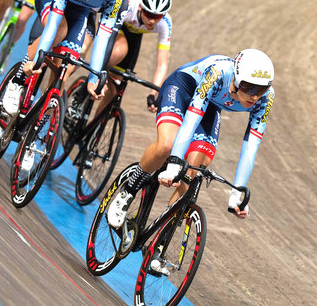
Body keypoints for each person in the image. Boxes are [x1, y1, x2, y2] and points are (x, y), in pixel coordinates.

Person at [108, 48, 275, 221]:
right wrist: (174, 163)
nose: (254, 97)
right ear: (237, 79)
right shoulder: (218, 74)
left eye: (261, 89)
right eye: (249, 88)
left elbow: (251, 146)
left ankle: (164, 228)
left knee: (196, 167)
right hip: (182, 88)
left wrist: (236, 194)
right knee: (167, 145)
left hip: (210, 103)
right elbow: (191, 120)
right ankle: (129, 190)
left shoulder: (266, 98)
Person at [0, 0, 132, 143]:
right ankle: (18, 80)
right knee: (59, 29)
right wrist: (38, 58)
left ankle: (33, 134)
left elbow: (102, 39)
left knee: (66, 69)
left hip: (81, 13)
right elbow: (54, 22)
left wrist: (93, 78)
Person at [78, 0, 173, 119]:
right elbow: (107, 34)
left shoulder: (166, 23)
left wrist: (153, 93)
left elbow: (162, 63)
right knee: (119, 50)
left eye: (157, 16)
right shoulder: (129, 5)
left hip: (135, 36)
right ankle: (83, 91)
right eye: (148, 14)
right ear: (140, 7)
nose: (152, 21)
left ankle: (90, 136)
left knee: (114, 93)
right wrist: (100, 73)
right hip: (115, 26)